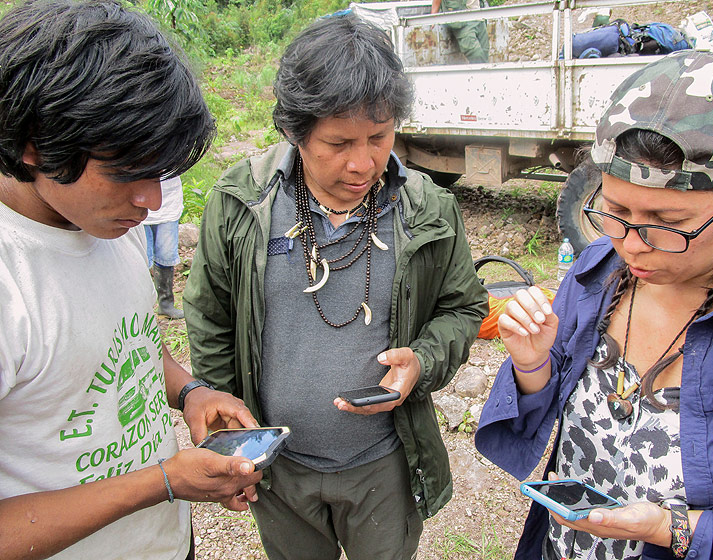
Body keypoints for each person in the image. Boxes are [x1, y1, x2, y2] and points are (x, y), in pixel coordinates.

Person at [183, 13, 489, 560]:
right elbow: (211, 315)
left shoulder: (427, 208)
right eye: (338, 142)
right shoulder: (240, 204)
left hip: (384, 465)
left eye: (380, 137)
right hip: (282, 470)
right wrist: (227, 418)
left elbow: (463, 308)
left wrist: (420, 360)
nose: (363, 162)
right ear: (296, 132)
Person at [475, 50, 713, 560]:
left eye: (667, 223)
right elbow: (551, 391)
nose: (632, 245)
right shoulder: (599, 267)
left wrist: (677, 530)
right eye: (616, 210)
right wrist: (532, 363)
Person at [0, 2, 265, 559]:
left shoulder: (99, 219)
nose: (148, 201)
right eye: (126, 172)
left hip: (163, 544)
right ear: (32, 141)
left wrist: (189, 392)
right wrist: (164, 482)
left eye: (159, 172)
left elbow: (118, 339)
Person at [145, 176, 186, 319]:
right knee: (142, 260)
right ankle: (143, 309)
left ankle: (166, 304)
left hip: (168, 202)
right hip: (139, 201)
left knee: (166, 255)